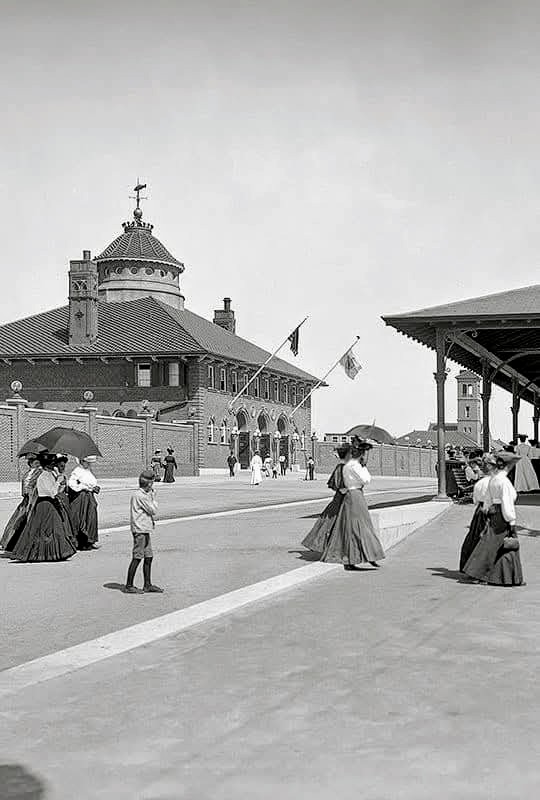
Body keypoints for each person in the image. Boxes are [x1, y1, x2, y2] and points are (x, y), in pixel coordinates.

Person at [319, 437, 385, 570]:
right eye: (365, 454)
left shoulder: (347, 466)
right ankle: (361, 557)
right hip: (356, 496)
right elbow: (366, 480)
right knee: (361, 526)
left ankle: (358, 557)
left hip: (352, 496)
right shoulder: (355, 466)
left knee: (352, 526)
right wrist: (364, 467)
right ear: (360, 455)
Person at [463, 452, 525, 586]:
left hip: (493, 511)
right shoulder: (505, 482)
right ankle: (482, 573)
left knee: (493, 543)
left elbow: (488, 499)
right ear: (508, 466)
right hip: (502, 514)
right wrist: (511, 521)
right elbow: (507, 502)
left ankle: (496, 575)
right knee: (502, 545)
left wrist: (487, 509)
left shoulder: (493, 480)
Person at [10, 452, 77, 562]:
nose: (54, 466)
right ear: (47, 465)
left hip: (51, 505)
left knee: (56, 528)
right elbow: (51, 492)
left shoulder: (49, 474)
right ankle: (38, 553)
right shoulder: (43, 476)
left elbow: (56, 491)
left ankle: (57, 552)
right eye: (52, 464)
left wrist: (62, 484)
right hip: (44, 505)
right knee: (41, 530)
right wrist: (58, 482)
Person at [301, 444, 351, 553]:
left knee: (328, 522)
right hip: (346, 498)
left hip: (339, 499)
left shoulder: (340, 468)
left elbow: (335, 485)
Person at [125, 470, 162, 594]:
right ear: (149, 484)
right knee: (137, 557)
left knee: (149, 556)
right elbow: (153, 510)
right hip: (140, 530)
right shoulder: (141, 496)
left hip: (145, 529)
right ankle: (129, 585)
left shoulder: (142, 495)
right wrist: (153, 497)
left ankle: (147, 584)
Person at [459, 454, 497, 572]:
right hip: (491, 511)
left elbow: (475, 500)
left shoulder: (480, 483)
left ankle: (470, 566)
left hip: (479, 512)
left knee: (474, 538)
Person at [0, 453, 42, 552]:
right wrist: (25, 492)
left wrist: (31, 492)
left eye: (37, 462)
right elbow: (24, 486)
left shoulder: (40, 472)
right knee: (18, 520)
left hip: (35, 499)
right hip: (26, 500)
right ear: (30, 463)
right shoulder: (27, 473)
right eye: (33, 462)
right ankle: (11, 543)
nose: (35, 464)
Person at [68, 455, 100, 550]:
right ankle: (81, 541)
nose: (89, 464)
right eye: (87, 462)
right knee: (81, 518)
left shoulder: (88, 471)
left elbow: (91, 483)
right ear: (82, 461)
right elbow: (71, 484)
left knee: (91, 517)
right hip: (81, 497)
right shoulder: (77, 471)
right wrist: (83, 487)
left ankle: (90, 540)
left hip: (89, 497)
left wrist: (94, 488)